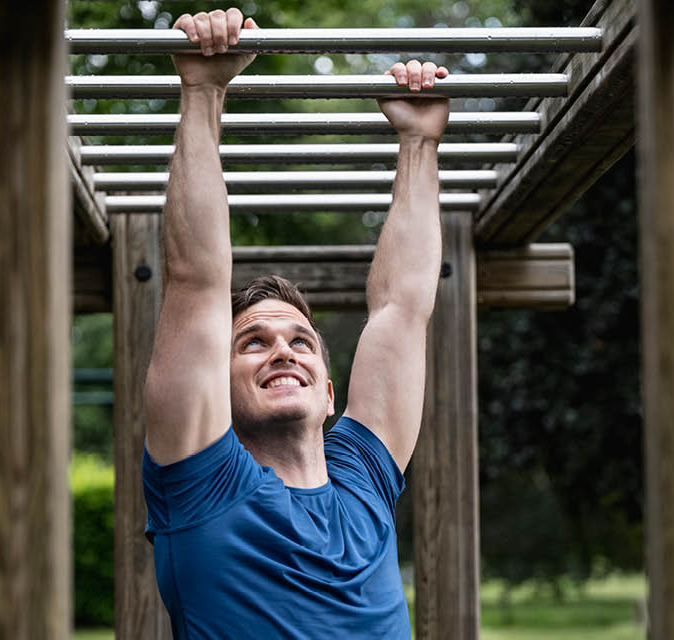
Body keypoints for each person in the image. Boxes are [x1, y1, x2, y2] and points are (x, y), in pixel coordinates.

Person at [141, 8, 449, 638]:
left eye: (301, 341)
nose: (283, 351)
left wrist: (419, 143)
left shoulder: (363, 482)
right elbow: (196, 282)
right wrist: (203, 92)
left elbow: (402, 310)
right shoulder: (202, 480)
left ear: (330, 393)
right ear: (214, 391)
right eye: (252, 343)